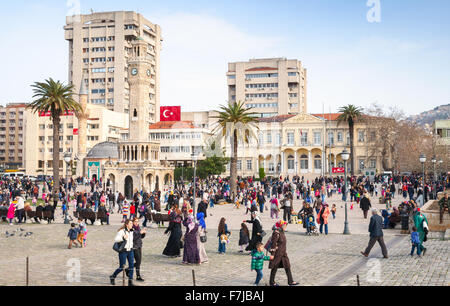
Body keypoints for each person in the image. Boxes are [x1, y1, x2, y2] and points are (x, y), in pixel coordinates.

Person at [268, 220, 299, 286]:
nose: (285, 227)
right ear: (280, 225)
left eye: (285, 225)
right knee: (274, 267)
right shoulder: (276, 233)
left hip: (283, 253)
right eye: (284, 225)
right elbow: (273, 244)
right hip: (277, 253)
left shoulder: (282, 232)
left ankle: (290, 281)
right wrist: (272, 254)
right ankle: (272, 282)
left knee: (287, 266)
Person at [110, 219, 136, 286]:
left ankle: (130, 282)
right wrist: (123, 238)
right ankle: (113, 276)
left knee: (131, 266)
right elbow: (116, 239)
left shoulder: (132, 231)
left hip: (130, 250)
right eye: (130, 223)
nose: (132, 224)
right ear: (127, 224)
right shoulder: (122, 231)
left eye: (132, 223)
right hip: (123, 251)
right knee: (122, 266)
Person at [126, 218, 146, 282]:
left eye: (138, 221)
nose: (137, 223)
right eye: (135, 222)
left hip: (139, 245)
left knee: (139, 262)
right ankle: (138, 275)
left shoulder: (138, 227)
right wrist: (140, 233)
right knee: (138, 262)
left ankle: (128, 269)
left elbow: (140, 237)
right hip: (134, 247)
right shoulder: (131, 229)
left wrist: (143, 233)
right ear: (133, 222)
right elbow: (133, 238)